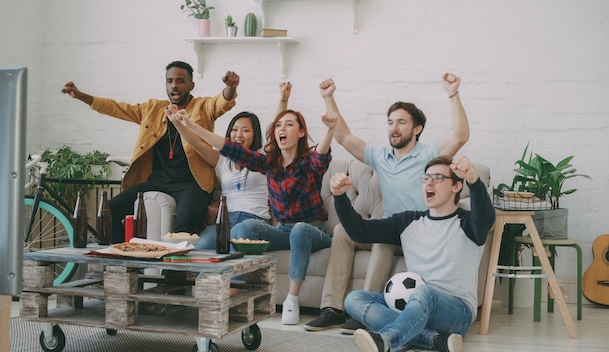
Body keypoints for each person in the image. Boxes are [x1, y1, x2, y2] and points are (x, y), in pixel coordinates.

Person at [304, 73, 470, 333]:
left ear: (417, 129)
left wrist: (453, 94)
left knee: (383, 240)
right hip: (391, 226)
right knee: (342, 231)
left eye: (401, 122)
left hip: (416, 232)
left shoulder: (429, 154)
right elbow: (344, 137)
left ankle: (365, 315)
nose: (394, 128)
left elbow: (461, 136)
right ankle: (332, 309)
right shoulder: (380, 157)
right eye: (391, 122)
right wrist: (328, 98)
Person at [167, 81, 337, 325]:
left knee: (298, 229)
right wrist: (190, 124)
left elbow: (321, 155)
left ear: (300, 133)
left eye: (290, 125)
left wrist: (330, 129)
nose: (282, 128)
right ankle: (226, 290)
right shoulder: (269, 163)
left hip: (314, 229)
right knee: (241, 231)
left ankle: (291, 300)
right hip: (282, 230)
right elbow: (226, 147)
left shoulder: (309, 162)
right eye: (279, 125)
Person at [61, 61, 239, 242]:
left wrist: (230, 88)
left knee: (184, 225)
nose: (174, 86)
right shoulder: (153, 109)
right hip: (157, 181)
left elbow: (220, 103)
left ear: (191, 85)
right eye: (170, 81)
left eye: (180, 81)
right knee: (109, 210)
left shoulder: (202, 107)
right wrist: (81, 96)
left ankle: (173, 270)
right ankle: (125, 258)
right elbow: (117, 108)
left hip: (192, 184)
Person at [330, 156, 495, 352]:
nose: (429, 183)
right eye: (426, 178)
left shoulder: (469, 223)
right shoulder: (408, 222)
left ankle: (386, 340)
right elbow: (360, 232)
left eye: (438, 178)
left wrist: (473, 180)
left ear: (456, 186)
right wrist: (339, 197)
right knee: (354, 299)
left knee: (424, 292)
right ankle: (434, 340)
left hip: (457, 312)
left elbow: (486, 216)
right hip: (413, 305)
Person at [169, 110, 271, 249]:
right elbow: (196, 144)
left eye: (245, 130)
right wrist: (178, 123)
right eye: (234, 130)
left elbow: (276, 133)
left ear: (255, 134)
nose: (239, 135)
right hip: (225, 220)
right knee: (200, 248)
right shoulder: (222, 160)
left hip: (255, 219)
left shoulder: (264, 158)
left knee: (235, 250)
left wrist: (283, 99)